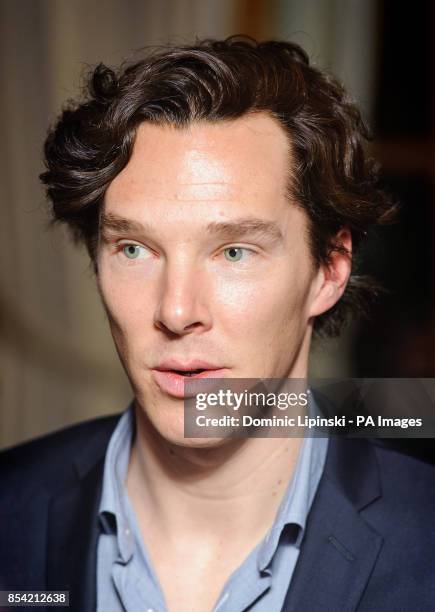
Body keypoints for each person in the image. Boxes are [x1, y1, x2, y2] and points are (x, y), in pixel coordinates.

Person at [1, 36, 434, 612]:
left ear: (328, 270)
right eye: (134, 249)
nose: (176, 312)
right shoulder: (10, 510)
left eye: (234, 252)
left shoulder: (424, 541)